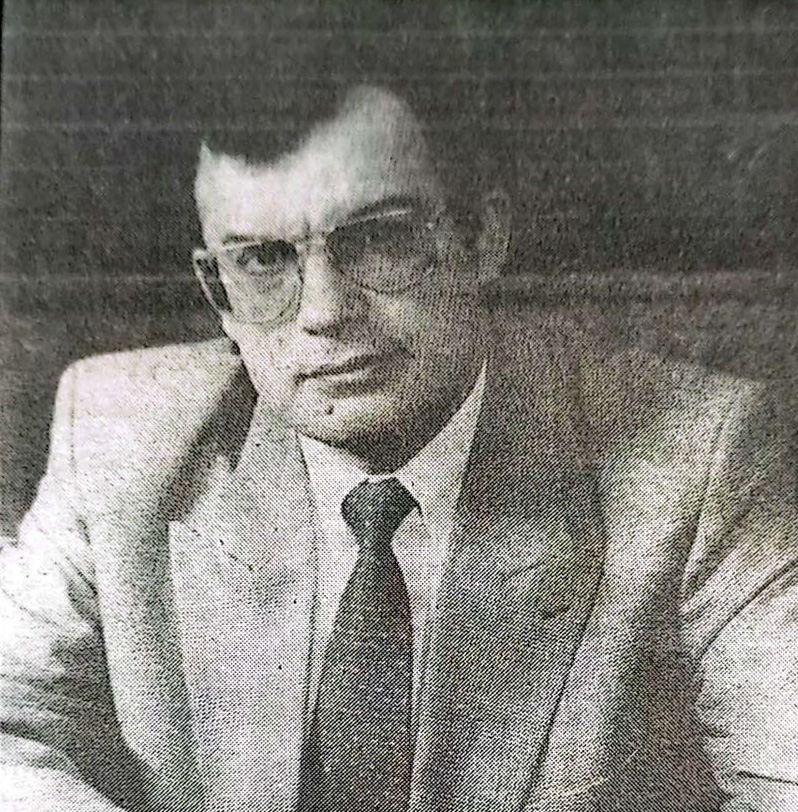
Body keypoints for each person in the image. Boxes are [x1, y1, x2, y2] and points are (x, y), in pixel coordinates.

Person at [1, 82, 798, 812]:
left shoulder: (697, 456)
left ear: (482, 239)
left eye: (379, 241)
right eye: (264, 261)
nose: (323, 312)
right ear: (219, 291)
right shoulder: (120, 434)